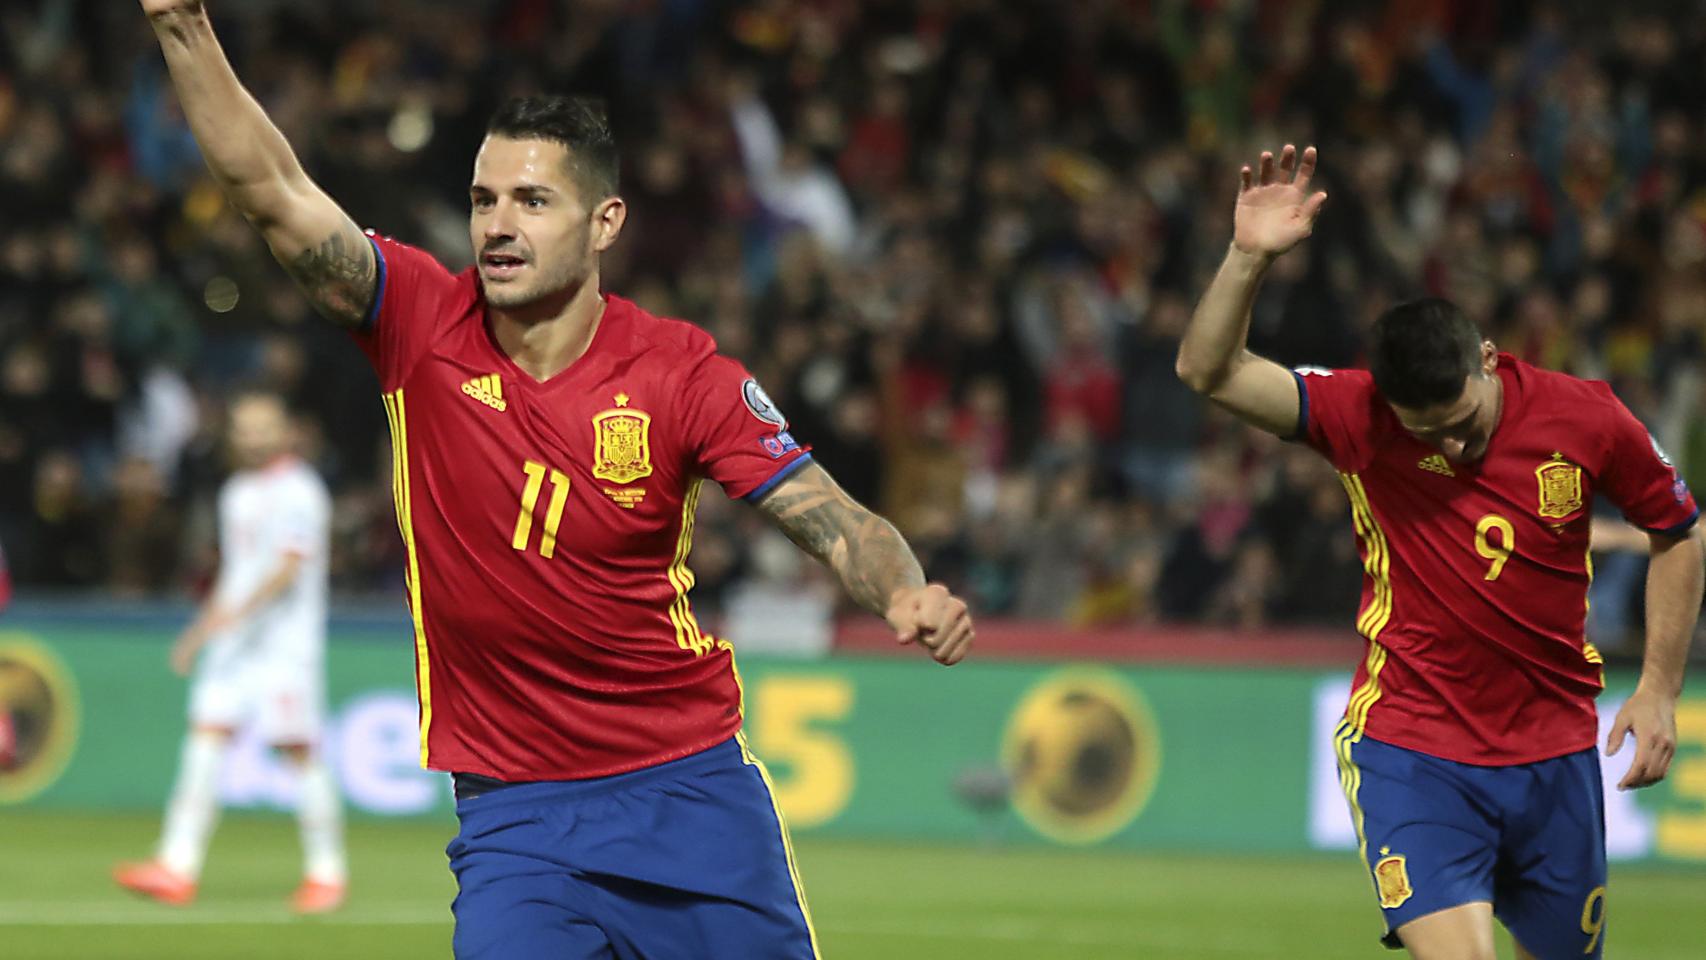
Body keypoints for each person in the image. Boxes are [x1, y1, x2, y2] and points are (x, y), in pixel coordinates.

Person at [135, 2, 975, 956]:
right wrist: (181, 26)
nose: (498, 224)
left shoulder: (680, 374)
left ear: (604, 219)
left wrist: (903, 591)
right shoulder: (416, 324)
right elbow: (269, 188)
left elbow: (832, 515)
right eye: (484, 200)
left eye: (532, 201)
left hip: (689, 793)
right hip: (517, 821)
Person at [1176, 144, 1703, 960]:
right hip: (1413, 746)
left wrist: (1661, 687)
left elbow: (1679, 531)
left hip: (1556, 749)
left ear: (1489, 359)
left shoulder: (1588, 418)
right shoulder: (1358, 416)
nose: (1455, 449)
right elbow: (1209, 371)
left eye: (1466, 421)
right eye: (1431, 434)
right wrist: (1248, 257)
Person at [114, 390, 344, 913]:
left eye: (263, 427)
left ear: (286, 431)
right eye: (243, 427)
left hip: (285, 648)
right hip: (234, 646)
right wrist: (200, 631)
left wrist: (231, 618)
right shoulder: (237, 492)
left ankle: (327, 873)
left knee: (298, 752)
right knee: (203, 741)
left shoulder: (301, 490)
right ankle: (176, 865)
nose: (252, 437)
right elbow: (236, 573)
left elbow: (287, 569)